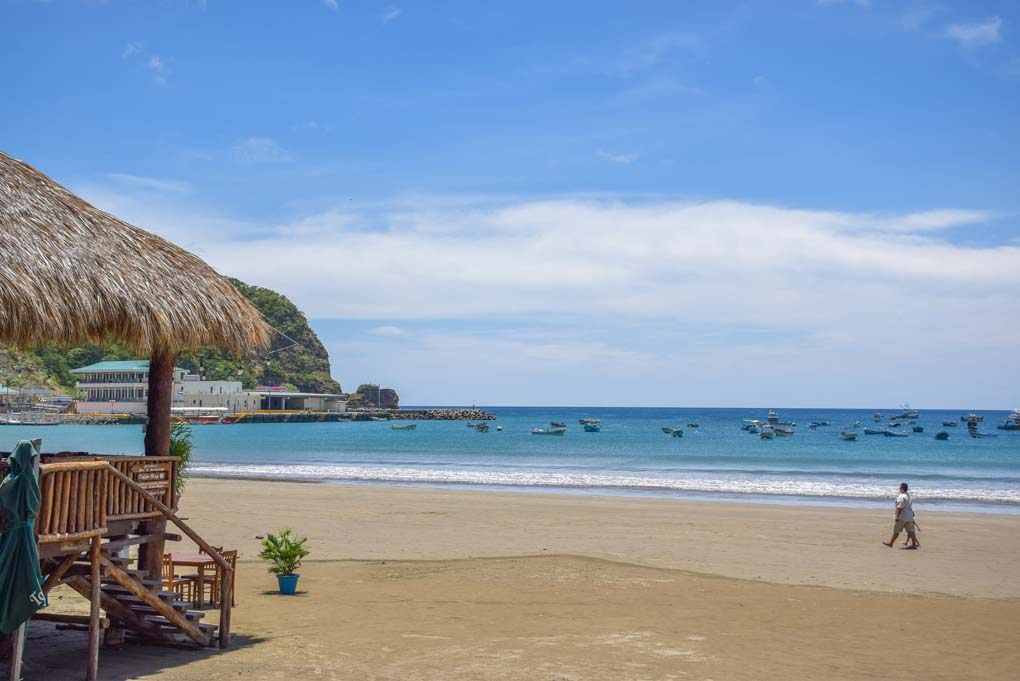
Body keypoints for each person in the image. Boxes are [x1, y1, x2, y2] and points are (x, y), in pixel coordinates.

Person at [883, 482, 919, 549]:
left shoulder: (901, 496)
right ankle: (914, 544)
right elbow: (909, 506)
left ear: (902, 488)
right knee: (911, 531)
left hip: (902, 516)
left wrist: (897, 516)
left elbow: (900, 507)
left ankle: (891, 543)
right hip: (909, 515)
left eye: (900, 487)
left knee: (896, 530)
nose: (899, 489)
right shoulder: (909, 496)